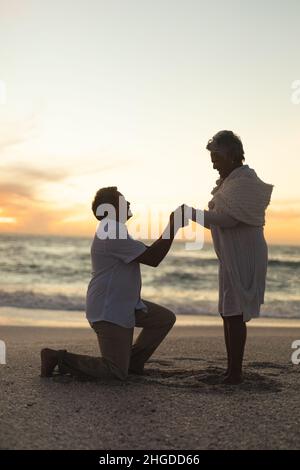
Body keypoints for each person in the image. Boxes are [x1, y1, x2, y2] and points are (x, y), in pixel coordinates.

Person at [40, 187, 187, 381]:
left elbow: (149, 254)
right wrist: (173, 225)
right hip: (109, 310)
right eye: (124, 201)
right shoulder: (110, 231)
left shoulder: (115, 230)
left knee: (163, 319)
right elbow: (153, 257)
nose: (128, 204)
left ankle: (133, 362)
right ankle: (57, 358)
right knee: (114, 372)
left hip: (125, 305)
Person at [187, 130, 273, 384]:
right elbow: (218, 224)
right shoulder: (230, 182)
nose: (213, 163)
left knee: (234, 312)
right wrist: (191, 216)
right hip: (229, 256)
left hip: (245, 255)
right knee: (227, 311)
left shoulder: (245, 181)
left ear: (232, 154)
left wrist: (189, 213)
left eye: (216, 157)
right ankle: (230, 369)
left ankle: (235, 372)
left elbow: (229, 219)